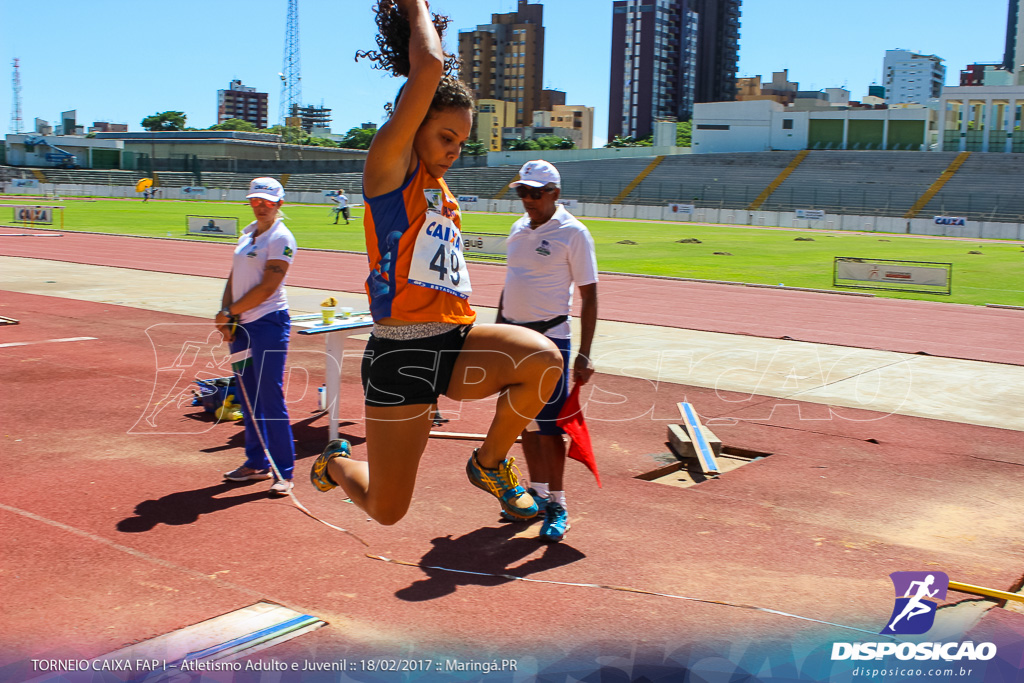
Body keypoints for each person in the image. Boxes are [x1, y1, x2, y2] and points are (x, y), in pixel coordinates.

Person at [308, 0, 562, 526]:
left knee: (543, 362)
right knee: (388, 509)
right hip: (400, 354)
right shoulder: (388, 169)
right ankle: (336, 465)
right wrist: (415, 6)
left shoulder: (440, 187)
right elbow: (428, 69)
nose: (454, 151)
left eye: (462, 143)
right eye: (446, 137)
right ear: (412, 122)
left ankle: (488, 465)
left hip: (454, 340)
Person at [496, 160, 598, 542]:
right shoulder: (518, 228)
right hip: (512, 339)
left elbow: (590, 295)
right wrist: (497, 330)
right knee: (522, 422)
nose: (527, 200)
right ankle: (536, 494)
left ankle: (558, 503)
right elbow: (512, 283)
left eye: (535, 193)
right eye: (522, 192)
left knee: (551, 427)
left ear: (554, 193)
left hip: (551, 341)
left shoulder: (574, 233)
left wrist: (584, 353)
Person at [215, 177, 298, 496]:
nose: (260, 205)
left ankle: (284, 471)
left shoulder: (281, 237)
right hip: (241, 325)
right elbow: (234, 276)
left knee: (270, 397)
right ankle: (256, 462)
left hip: (269, 323)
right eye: (256, 199)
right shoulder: (248, 233)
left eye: (267, 200)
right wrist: (225, 313)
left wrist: (231, 312)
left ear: (279, 203)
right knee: (248, 396)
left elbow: (267, 287)